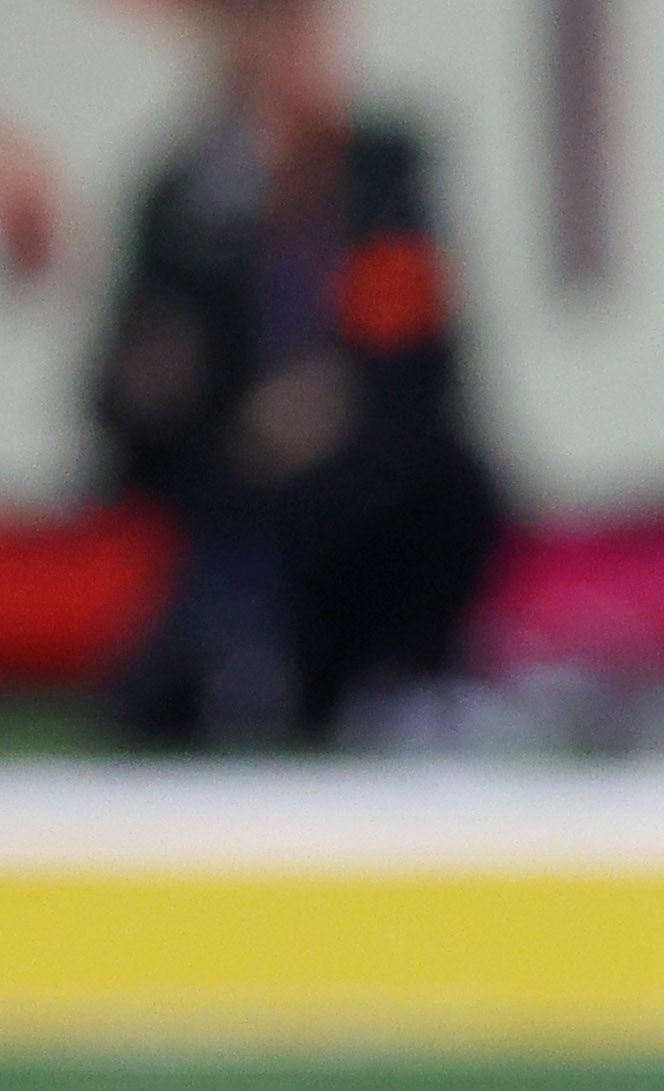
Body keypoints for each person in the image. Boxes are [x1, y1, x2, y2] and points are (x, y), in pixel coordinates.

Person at [88, 0, 503, 748]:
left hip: (375, 487)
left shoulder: (380, 170)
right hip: (241, 496)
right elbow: (123, 403)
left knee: (451, 487)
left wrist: (341, 400)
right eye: (258, 29)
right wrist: (157, 386)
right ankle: (240, 659)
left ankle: (408, 674)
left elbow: (421, 351)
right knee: (161, 705)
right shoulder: (181, 196)